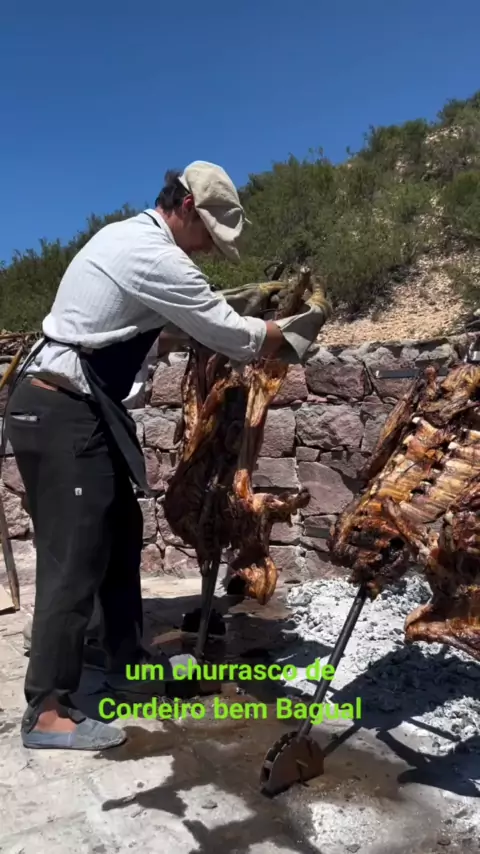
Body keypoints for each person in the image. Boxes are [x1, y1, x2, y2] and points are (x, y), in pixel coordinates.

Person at [5, 161, 330, 751]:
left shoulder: (130, 240)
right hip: (60, 409)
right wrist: (292, 330)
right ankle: (47, 710)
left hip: (83, 409)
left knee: (119, 530)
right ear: (185, 207)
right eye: (208, 234)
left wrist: (231, 310)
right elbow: (230, 335)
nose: (207, 249)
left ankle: (124, 659)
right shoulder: (151, 253)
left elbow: (166, 325)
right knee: (73, 555)